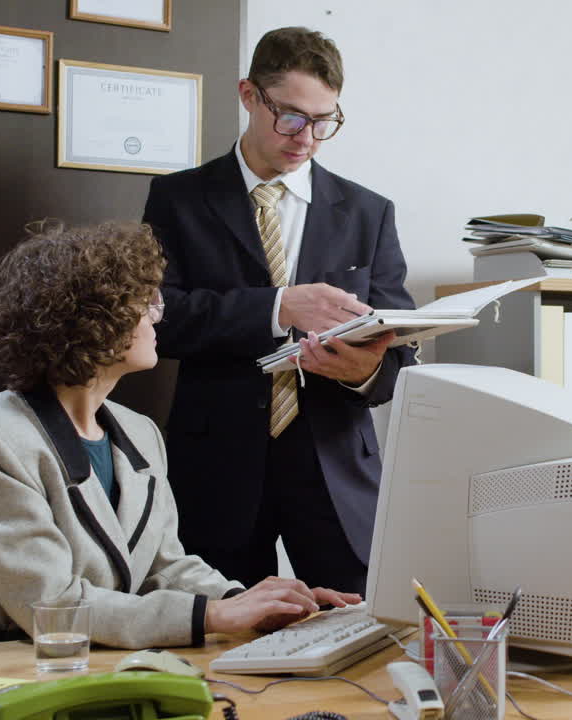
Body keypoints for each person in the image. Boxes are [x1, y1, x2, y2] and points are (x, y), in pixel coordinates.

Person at [0, 221, 359, 649]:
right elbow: (54, 605)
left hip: (115, 661)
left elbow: (165, 565)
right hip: (20, 670)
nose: (159, 315)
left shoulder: (139, 432)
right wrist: (214, 615)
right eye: (146, 303)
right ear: (92, 318)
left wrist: (252, 603)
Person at [142, 27, 415, 594]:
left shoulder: (369, 213)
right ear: (248, 95)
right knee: (221, 640)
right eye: (291, 117)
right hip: (217, 465)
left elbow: (400, 356)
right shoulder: (179, 199)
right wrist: (278, 307)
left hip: (337, 467)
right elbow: (160, 319)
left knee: (361, 634)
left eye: (324, 121)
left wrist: (363, 372)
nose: (307, 138)